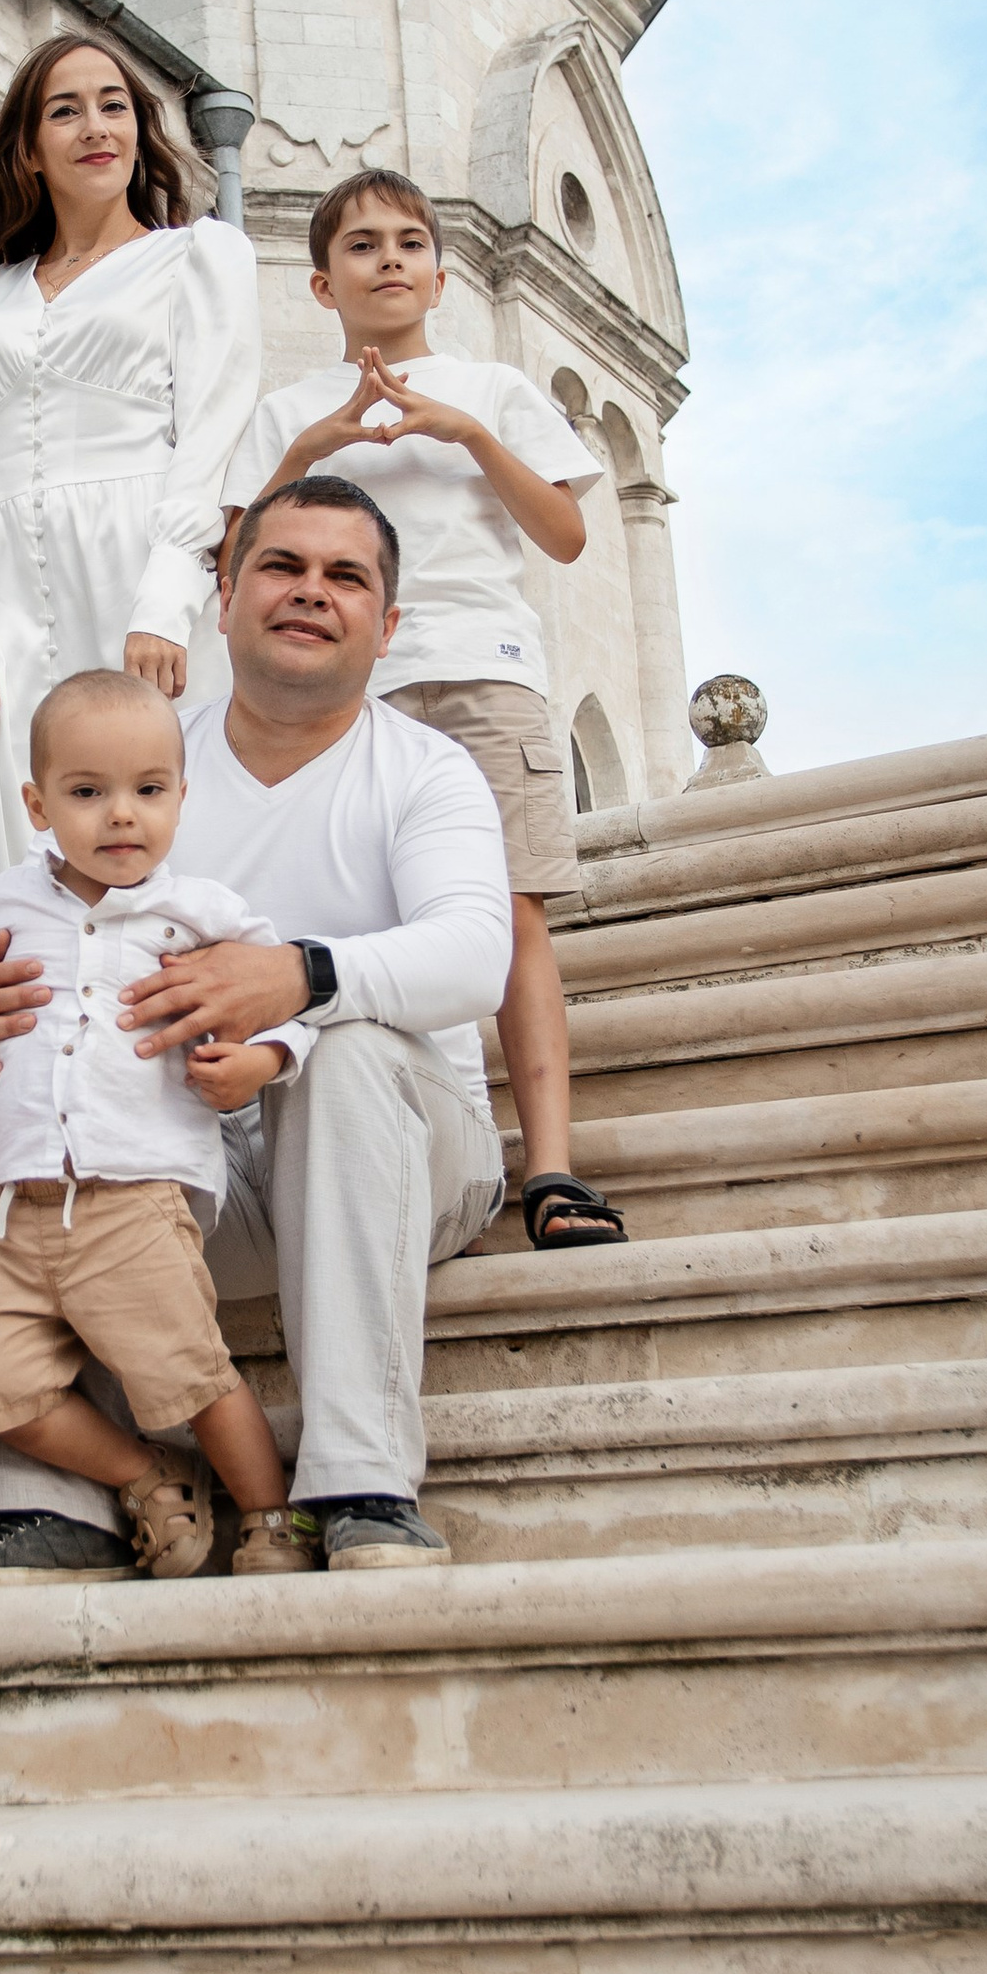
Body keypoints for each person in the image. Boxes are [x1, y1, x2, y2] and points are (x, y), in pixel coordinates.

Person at [0, 477, 514, 1575]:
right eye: (281, 566)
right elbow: (36, 932)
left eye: (345, 577)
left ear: (388, 624)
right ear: (225, 596)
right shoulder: (141, 758)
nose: (310, 592)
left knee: (344, 1048)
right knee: (60, 1129)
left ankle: (360, 1481)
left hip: (400, 1157)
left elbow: (476, 957)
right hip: (198, 1171)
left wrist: (296, 977)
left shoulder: (426, 771)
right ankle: (56, 1495)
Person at [0, 33, 262, 1089]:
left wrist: (167, 599)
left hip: (138, 573)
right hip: (9, 594)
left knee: (153, 814)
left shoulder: (199, 258)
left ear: (140, 132)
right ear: (28, 147)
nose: (95, 127)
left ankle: (162, 1066)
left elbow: (210, 442)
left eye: (114, 105)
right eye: (65, 110)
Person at [228, 167, 623, 1254]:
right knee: (370, 918)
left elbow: (565, 535)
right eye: (361, 246)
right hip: (346, 695)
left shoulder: (491, 388)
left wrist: (465, 433)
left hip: (484, 670)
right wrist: (314, 450)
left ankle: (549, 1166)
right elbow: (234, 560)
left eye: (409, 243)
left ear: (441, 277)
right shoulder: (286, 411)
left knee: (513, 914)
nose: (389, 260)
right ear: (321, 284)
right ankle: (401, 1145)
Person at [0, 667, 307, 1582]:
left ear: (182, 797)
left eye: (148, 790)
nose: (122, 815)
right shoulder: (6, 904)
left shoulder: (201, 914)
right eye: (88, 793)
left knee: (188, 1372)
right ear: (38, 806)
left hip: (133, 1196)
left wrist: (265, 1058)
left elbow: (288, 1000)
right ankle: (146, 1473)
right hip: (6, 1206)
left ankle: (271, 1516)